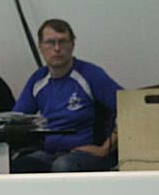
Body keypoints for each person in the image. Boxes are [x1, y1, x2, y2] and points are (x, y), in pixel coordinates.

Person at [11, 19, 122, 173]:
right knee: (18, 166)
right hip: (49, 152)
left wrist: (104, 149)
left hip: (85, 154)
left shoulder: (91, 75)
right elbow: (16, 120)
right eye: (50, 42)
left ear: (72, 45)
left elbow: (130, 110)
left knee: (62, 166)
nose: (57, 48)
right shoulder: (38, 80)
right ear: (40, 46)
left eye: (63, 42)